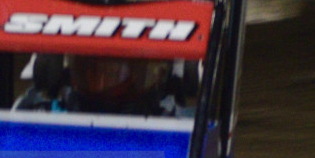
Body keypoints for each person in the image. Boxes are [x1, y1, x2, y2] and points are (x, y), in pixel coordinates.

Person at [13, 54, 194, 116]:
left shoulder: (176, 124)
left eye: (114, 73)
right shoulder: (38, 116)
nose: (102, 83)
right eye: (91, 70)